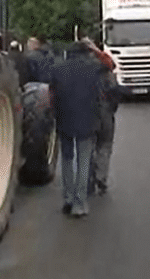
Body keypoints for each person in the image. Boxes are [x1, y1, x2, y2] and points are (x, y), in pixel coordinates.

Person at [50, 41, 105, 217]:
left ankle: (68, 198)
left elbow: (52, 95)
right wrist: (95, 49)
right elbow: (111, 64)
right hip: (87, 118)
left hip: (64, 118)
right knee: (84, 161)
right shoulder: (94, 67)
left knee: (66, 159)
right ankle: (80, 203)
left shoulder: (58, 68)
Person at [82, 38, 119, 196]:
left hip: (88, 112)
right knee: (104, 145)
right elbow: (115, 92)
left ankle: (88, 179)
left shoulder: (82, 70)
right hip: (106, 111)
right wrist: (111, 109)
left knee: (89, 146)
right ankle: (101, 178)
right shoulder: (106, 68)